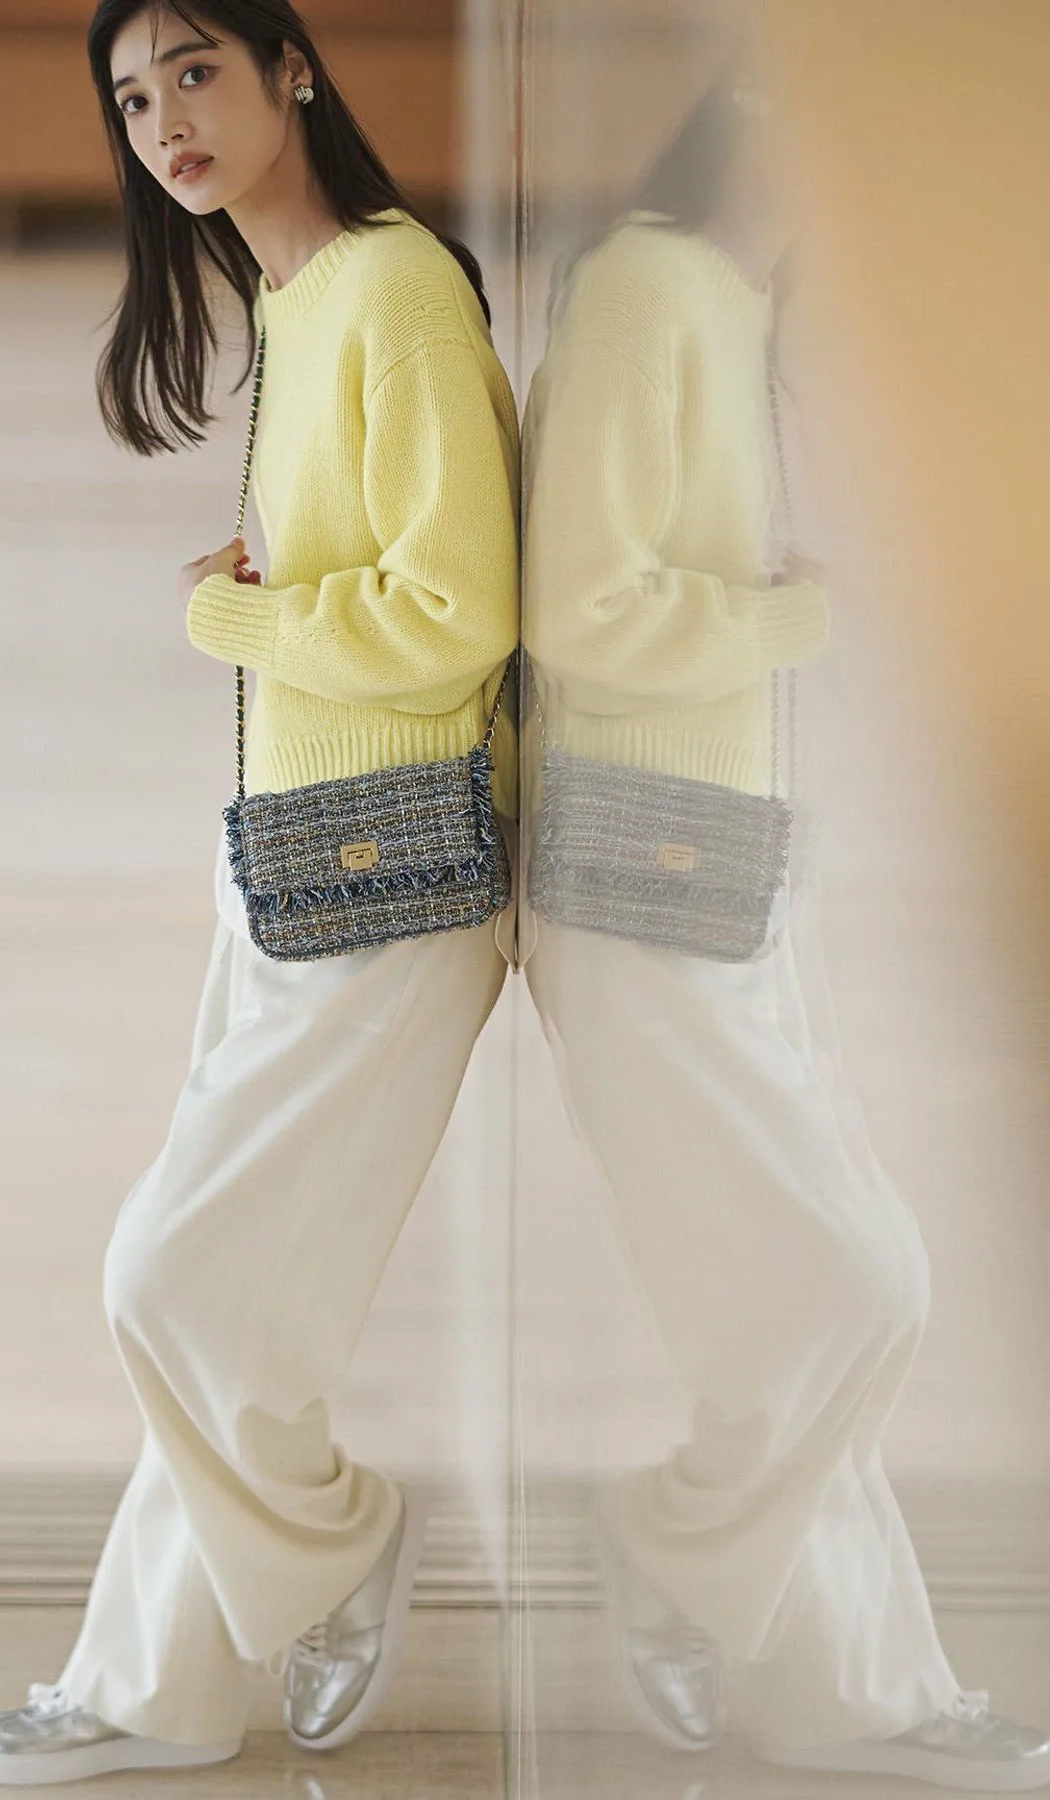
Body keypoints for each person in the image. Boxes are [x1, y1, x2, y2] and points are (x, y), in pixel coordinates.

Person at [0, 0, 519, 1785]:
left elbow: (459, 617)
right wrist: (279, 588)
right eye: (134, 97)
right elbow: (374, 568)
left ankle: (340, 1536)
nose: (166, 120)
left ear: (294, 70)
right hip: (293, 852)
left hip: (398, 878)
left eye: (197, 71)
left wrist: (240, 618)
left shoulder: (394, 291)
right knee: (232, 1331)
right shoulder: (296, 301)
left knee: (171, 1284)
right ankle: (155, 1689)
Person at [519, 64, 1050, 1789]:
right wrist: (788, 616)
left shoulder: (727, 303)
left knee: (796, 1322)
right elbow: (582, 610)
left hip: (722, 868)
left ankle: (868, 1690)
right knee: (852, 1288)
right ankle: (671, 1545)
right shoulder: (648, 288)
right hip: (638, 884)